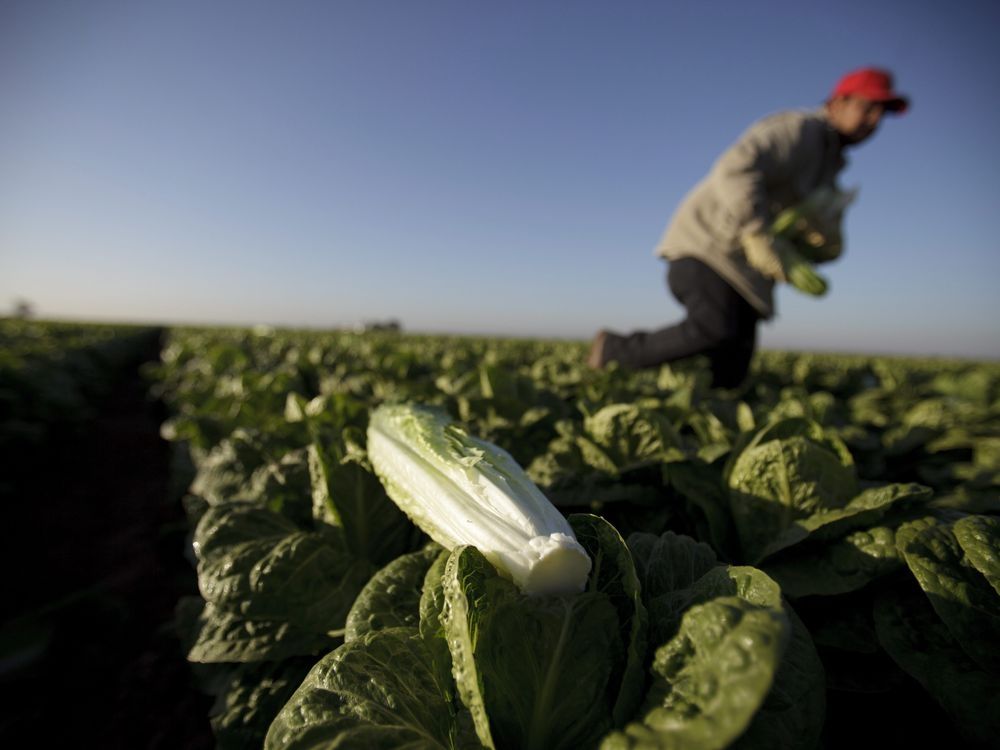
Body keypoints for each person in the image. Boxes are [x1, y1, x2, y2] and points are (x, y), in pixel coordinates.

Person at [587, 67, 909, 388]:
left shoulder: (831, 165)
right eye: (868, 108)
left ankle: (690, 406)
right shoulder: (799, 131)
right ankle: (613, 351)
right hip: (710, 248)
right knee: (713, 326)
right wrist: (756, 231)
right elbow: (735, 167)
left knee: (732, 372)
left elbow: (794, 223)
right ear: (839, 102)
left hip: (748, 270)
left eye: (882, 114)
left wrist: (813, 244)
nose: (874, 122)